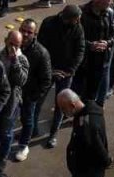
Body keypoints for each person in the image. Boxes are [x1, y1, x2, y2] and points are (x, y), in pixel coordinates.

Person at [38, 5, 85, 149]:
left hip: (65, 73)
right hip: (48, 70)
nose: (78, 22)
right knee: (38, 100)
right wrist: (49, 70)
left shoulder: (78, 28)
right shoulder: (48, 23)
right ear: (67, 18)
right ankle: (32, 128)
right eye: (76, 20)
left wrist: (70, 70)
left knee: (61, 105)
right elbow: (40, 48)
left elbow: (80, 49)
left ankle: (53, 134)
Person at [13, 20, 54, 161]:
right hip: (13, 92)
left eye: (29, 32)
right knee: (10, 118)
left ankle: (24, 145)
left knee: (27, 119)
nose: (25, 34)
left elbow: (46, 80)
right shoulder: (13, 44)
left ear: (35, 34)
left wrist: (33, 97)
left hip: (29, 94)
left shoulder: (41, 53)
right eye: (23, 30)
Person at [0, 30, 30, 170]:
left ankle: (2, 158)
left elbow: (21, 81)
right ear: (6, 40)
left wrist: (15, 61)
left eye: (17, 45)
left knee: (6, 132)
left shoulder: (22, 60)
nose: (13, 48)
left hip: (11, 101)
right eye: (11, 44)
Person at [76, 0, 114, 107]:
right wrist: (90, 45)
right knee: (78, 88)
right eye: (108, 1)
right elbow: (74, 37)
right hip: (83, 60)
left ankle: (92, 110)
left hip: (101, 59)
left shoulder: (110, 12)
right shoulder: (81, 12)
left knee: (94, 89)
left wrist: (107, 43)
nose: (111, 2)